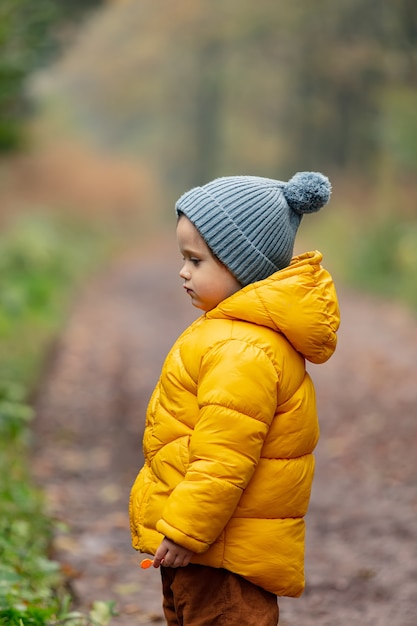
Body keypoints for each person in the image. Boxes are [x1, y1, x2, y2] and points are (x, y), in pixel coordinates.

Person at [129, 171, 340, 626]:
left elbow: (224, 459)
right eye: (182, 258)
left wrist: (186, 531)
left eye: (196, 260)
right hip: (209, 550)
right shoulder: (229, 333)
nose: (183, 271)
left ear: (241, 265)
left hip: (220, 556)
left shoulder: (242, 350)